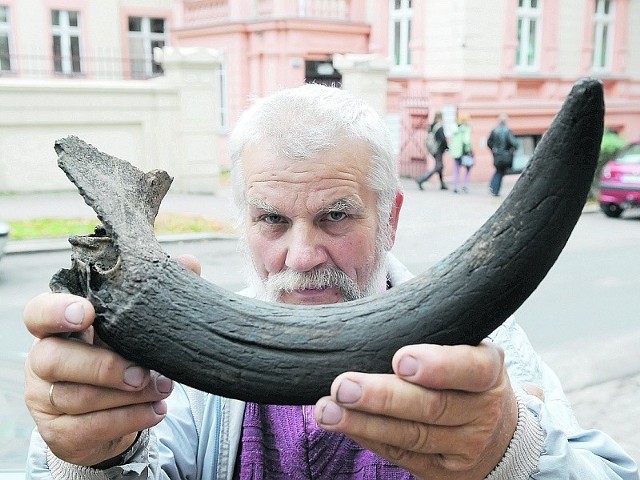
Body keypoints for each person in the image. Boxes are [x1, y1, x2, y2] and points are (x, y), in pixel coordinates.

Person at [23, 84, 638, 479]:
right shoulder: (176, 374)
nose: (300, 255)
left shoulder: (487, 351)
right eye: (271, 219)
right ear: (242, 223)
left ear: (390, 217)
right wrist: (88, 454)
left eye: (336, 216)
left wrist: (513, 453)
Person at [487, 114, 519, 196]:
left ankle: (493, 186)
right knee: (500, 172)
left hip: (497, 155)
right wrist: (513, 149)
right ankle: (495, 189)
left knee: (498, 171)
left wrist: (494, 149)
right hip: (505, 155)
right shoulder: (507, 131)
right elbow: (514, 143)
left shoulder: (494, 130)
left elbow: (489, 142)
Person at [416, 111, 448, 191]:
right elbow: (443, 139)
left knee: (440, 166)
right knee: (438, 166)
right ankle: (421, 179)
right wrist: (446, 147)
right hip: (438, 149)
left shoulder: (432, 126)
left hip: (433, 149)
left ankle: (442, 184)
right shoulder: (439, 127)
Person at [449, 113, 474, 193]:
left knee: (456, 169)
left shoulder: (455, 129)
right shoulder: (466, 129)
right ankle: (465, 185)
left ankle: (455, 186)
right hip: (464, 152)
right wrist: (469, 150)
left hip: (455, 153)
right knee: (468, 168)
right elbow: (466, 141)